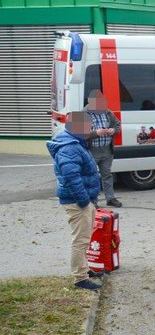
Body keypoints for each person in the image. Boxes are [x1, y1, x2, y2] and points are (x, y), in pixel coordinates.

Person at [47, 111, 102, 290]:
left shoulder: (76, 142)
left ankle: (84, 269)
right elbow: (72, 177)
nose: (91, 130)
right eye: (89, 127)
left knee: (85, 238)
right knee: (80, 240)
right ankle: (80, 278)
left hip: (84, 199)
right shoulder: (69, 147)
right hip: (77, 201)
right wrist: (84, 201)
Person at [86, 89, 122, 208]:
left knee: (107, 176)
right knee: (91, 177)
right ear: (89, 101)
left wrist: (114, 130)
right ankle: (92, 201)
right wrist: (96, 133)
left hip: (107, 149)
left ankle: (110, 198)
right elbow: (78, 133)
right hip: (91, 151)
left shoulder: (108, 112)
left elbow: (117, 125)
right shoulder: (82, 114)